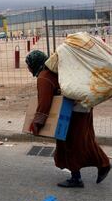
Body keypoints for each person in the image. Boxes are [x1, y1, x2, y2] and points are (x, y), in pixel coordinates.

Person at [26, 50, 111, 188]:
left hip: (71, 113)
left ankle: (76, 178)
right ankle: (103, 163)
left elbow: (44, 103)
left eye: (28, 65)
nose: (28, 69)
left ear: (34, 64)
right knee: (85, 140)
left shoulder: (44, 77)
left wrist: (37, 122)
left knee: (69, 144)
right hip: (84, 106)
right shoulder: (58, 70)